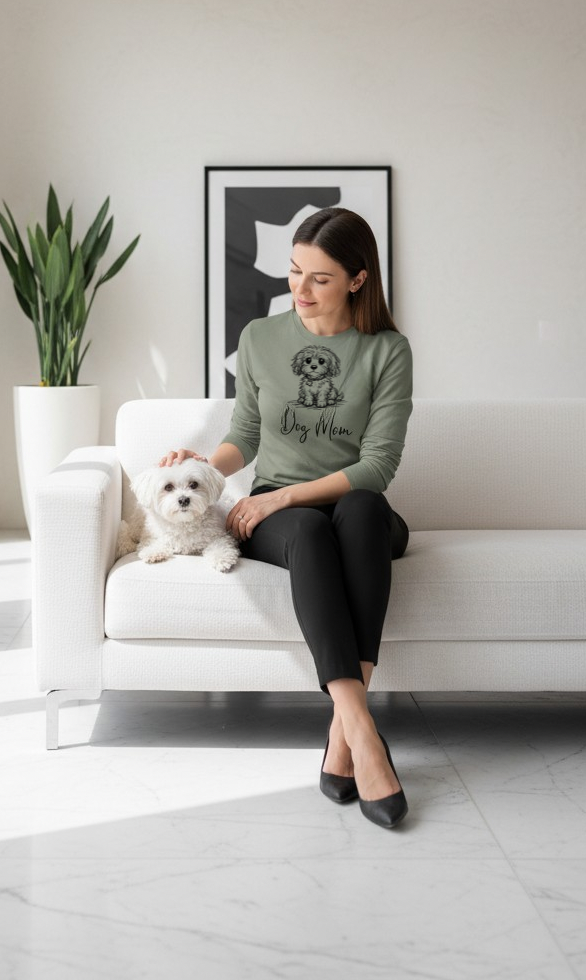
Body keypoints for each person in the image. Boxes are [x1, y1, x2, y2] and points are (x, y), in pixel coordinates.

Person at [161, 207, 412, 828]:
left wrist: (282, 495)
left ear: (357, 280)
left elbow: (377, 467)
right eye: (294, 271)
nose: (298, 290)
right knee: (308, 530)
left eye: (318, 278)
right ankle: (359, 730)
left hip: (354, 509)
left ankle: (342, 732)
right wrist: (204, 464)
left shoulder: (387, 350)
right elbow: (245, 433)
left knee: (353, 512)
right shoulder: (260, 339)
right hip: (285, 518)